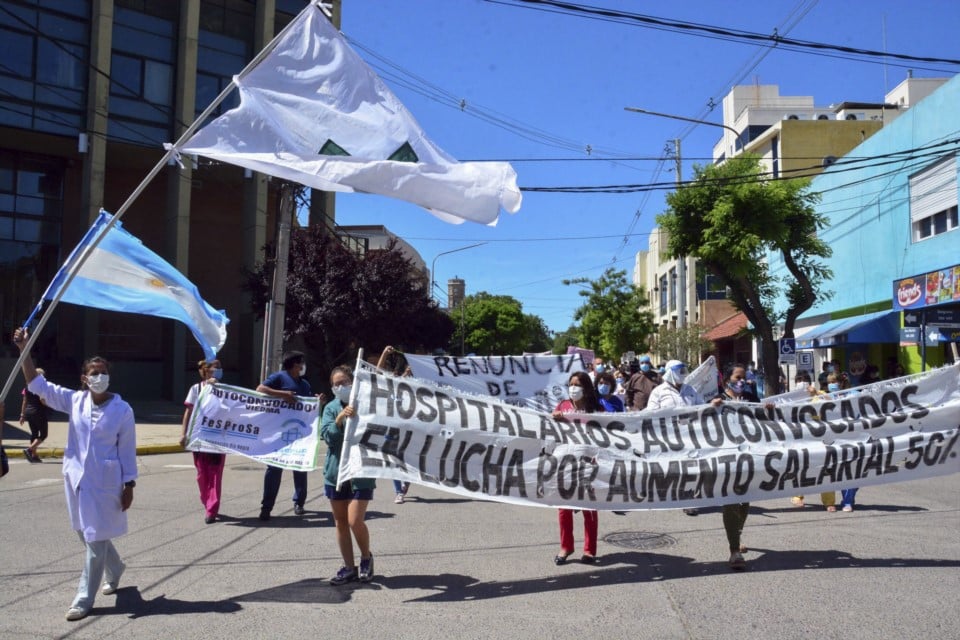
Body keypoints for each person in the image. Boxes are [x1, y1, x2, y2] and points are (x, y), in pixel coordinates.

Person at [13, 328, 136, 621]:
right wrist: (24, 349)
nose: (99, 377)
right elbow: (36, 384)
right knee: (86, 533)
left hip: (106, 483)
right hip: (77, 479)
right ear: (84, 378)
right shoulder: (75, 401)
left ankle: (83, 599)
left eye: (103, 372)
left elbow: (127, 450)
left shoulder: (122, 410)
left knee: (94, 543)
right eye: (94, 372)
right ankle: (116, 567)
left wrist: (129, 484)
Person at [322, 365, 376, 585]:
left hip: (360, 471)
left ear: (353, 382)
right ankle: (348, 566)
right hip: (336, 473)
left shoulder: (366, 404)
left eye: (344, 382)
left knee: (355, 520)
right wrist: (340, 419)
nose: (340, 386)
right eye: (336, 384)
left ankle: (366, 557)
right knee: (340, 522)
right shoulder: (331, 408)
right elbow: (327, 436)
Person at [647, 360, 722, 517]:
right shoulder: (659, 392)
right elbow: (651, 413)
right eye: (679, 371)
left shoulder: (690, 390)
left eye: (683, 371)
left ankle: (689, 500)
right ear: (670, 373)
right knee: (674, 469)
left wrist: (711, 405)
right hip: (668, 436)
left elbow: (700, 407)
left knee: (690, 468)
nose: (682, 374)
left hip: (689, 435)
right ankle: (674, 495)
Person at [551, 370, 603, 565]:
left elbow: (606, 433)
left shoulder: (596, 409)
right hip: (565, 464)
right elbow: (551, 431)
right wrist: (554, 418)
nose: (573, 388)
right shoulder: (562, 406)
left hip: (589, 463)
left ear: (587, 389)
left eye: (578, 385)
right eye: (571, 384)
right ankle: (566, 546)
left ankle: (589, 550)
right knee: (564, 508)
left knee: (589, 508)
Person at [716, 363, 762, 570]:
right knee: (731, 502)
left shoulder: (751, 398)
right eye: (737, 377)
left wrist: (766, 410)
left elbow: (762, 420)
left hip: (749, 456)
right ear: (727, 379)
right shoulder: (717, 398)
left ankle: (736, 533)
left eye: (744, 377)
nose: (742, 381)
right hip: (725, 458)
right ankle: (734, 550)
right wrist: (710, 407)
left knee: (745, 501)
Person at [257, 351, 312, 520]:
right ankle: (266, 507)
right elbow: (260, 389)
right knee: (274, 469)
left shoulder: (304, 384)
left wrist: (317, 401)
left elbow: (308, 404)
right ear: (294, 364)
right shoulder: (279, 377)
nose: (303, 367)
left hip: (299, 432)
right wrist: (283, 394)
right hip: (278, 432)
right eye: (301, 363)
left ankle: (299, 502)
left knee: (300, 468)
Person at [179, 359, 226, 524]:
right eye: (216, 368)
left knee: (215, 474)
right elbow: (188, 411)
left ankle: (212, 509)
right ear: (207, 371)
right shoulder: (196, 389)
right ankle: (207, 501)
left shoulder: (225, 390)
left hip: (217, 439)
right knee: (201, 474)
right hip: (198, 437)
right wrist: (183, 433)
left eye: (220, 368)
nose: (219, 370)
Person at [790, 373, 836, 512]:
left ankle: (829, 501)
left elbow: (833, 403)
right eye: (799, 381)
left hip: (821, 438)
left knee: (826, 468)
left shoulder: (820, 394)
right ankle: (797, 496)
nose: (802, 383)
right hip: (802, 438)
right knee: (802, 467)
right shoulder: (791, 398)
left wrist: (816, 393)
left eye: (805, 381)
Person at [377, 345, 412, 504]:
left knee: (407, 459)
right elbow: (377, 371)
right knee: (393, 460)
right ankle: (399, 491)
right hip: (390, 428)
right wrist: (384, 353)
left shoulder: (409, 385)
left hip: (408, 428)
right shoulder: (386, 385)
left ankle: (407, 480)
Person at [20, 367, 49, 463]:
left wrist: (22, 415)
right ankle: (30, 449)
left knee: (34, 433)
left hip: (29, 413)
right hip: (39, 412)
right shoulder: (42, 386)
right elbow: (42, 400)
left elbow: (24, 401)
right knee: (44, 434)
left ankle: (34, 455)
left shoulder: (27, 387)